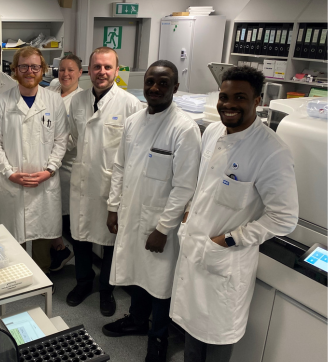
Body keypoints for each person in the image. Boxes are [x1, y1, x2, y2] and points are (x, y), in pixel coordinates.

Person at [169, 66, 299, 362]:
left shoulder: (272, 152)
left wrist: (229, 240)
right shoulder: (213, 131)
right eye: (224, 96)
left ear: (257, 100)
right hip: (196, 251)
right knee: (191, 333)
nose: (228, 104)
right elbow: (204, 184)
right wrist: (189, 214)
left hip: (224, 260)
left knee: (216, 340)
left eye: (240, 97)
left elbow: (284, 218)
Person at [101, 61, 202, 362]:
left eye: (163, 83)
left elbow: (185, 187)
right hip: (132, 212)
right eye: (150, 82)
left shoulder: (184, 129)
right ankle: (135, 320)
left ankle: (157, 339)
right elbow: (119, 167)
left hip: (160, 223)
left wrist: (162, 229)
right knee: (137, 273)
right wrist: (112, 207)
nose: (155, 88)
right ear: (143, 84)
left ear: (175, 87)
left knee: (159, 282)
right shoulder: (133, 121)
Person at [67, 47, 144, 316]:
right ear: (89, 69)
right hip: (83, 182)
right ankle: (83, 283)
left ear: (117, 70)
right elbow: (71, 138)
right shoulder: (77, 101)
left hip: (112, 186)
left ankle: (106, 290)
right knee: (80, 237)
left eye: (107, 67)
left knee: (110, 242)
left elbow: (134, 153)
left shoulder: (130, 105)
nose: (101, 72)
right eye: (97, 66)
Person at [0, 46, 68, 280]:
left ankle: (41, 276)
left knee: (43, 233)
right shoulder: (1, 102)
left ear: (42, 70)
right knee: (13, 235)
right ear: (15, 70)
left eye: (35, 66)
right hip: (12, 182)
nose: (29, 71)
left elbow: (61, 139)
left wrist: (50, 170)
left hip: (44, 183)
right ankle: (15, 278)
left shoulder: (53, 102)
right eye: (24, 66)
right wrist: (10, 173)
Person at [46, 54, 84, 272]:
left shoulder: (80, 100)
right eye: (61, 70)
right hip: (45, 160)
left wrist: (48, 144)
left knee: (62, 212)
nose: (65, 74)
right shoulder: (51, 89)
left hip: (66, 164)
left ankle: (65, 250)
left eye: (71, 70)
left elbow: (73, 138)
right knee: (51, 211)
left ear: (80, 73)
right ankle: (58, 248)